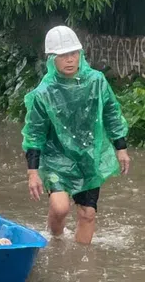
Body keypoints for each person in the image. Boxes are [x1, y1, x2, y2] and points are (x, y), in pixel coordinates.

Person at [22, 25, 130, 245]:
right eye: (63, 55)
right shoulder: (45, 93)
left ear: (81, 54)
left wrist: (121, 148)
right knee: (60, 208)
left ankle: (81, 265)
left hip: (89, 156)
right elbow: (35, 133)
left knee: (87, 214)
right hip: (56, 158)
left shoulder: (97, 81)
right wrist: (33, 172)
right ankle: (55, 241)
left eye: (73, 53)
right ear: (52, 59)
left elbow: (111, 113)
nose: (69, 60)